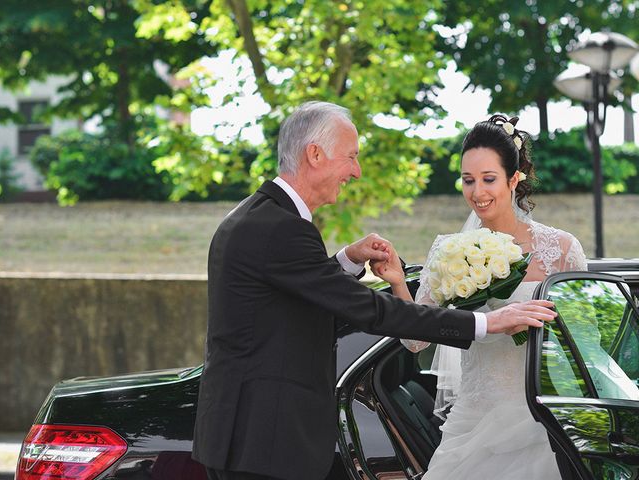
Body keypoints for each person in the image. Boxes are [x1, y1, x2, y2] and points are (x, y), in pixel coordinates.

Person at [192, 103, 558, 480]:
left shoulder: (256, 216)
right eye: (351, 156)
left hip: (247, 439)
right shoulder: (281, 228)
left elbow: (292, 299)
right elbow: (370, 310)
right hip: (264, 444)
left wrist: (348, 259)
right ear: (315, 154)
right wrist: (486, 322)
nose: (356, 170)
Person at [372, 114, 588, 479]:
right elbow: (412, 341)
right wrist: (396, 282)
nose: (477, 192)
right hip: (473, 418)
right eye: (468, 180)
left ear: (514, 178)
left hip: (538, 420)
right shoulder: (448, 252)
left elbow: (585, 342)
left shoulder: (562, 249)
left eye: (488, 179)